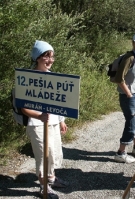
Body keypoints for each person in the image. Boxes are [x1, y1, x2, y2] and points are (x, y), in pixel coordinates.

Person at [21, 40, 69, 199]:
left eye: (52, 57)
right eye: (46, 56)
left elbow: (59, 102)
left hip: (54, 122)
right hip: (37, 124)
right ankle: (44, 187)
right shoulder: (28, 78)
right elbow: (23, 108)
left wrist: (61, 120)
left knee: (54, 152)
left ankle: (51, 179)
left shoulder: (54, 77)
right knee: (43, 155)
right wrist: (39, 116)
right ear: (37, 58)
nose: (50, 60)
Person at [114, 32, 135, 163]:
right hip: (129, 96)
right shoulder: (129, 58)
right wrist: (128, 94)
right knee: (131, 125)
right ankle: (121, 153)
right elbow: (119, 78)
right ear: (133, 43)